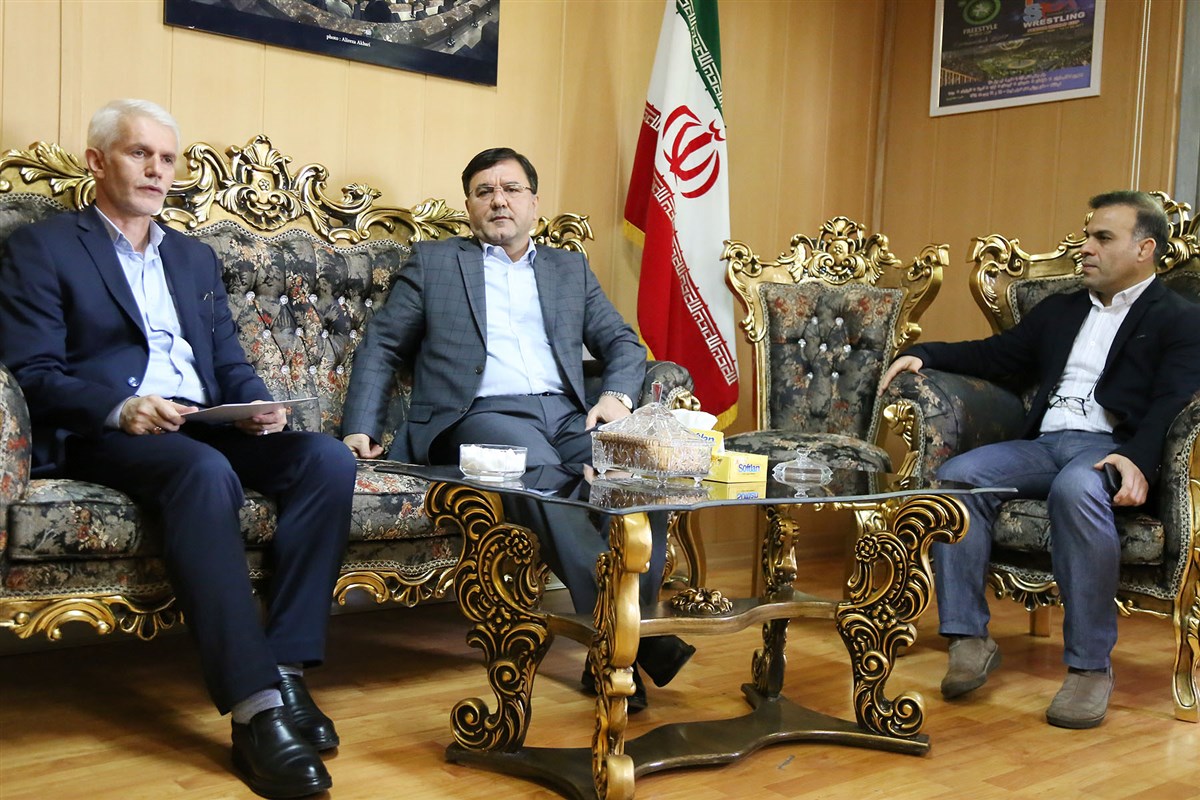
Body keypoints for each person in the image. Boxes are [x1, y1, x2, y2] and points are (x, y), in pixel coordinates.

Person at [0, 99, 356, 798]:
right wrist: (120, 407)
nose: (157, 170)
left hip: (205, 421)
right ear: (97, 161)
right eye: (139, 153)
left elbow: (227, 359)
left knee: (326, 459)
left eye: (167, 158)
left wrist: (258, 406)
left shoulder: (192, 257)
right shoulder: (44, 247)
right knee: (202, 472)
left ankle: (286, 671)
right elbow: (32, 372)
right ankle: (256, 711)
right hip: (110, 432)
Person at [341, 147, 694, 711]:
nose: (498, 200)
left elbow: (622, 343)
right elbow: (382, 344)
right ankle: (632, 642)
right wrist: (359, 426)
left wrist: (617, 398)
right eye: (484, 191)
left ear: (534, 202)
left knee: (640, 473)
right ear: (469, 207)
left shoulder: (567, 269)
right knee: (539, 475)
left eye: (511, 189)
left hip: (571, 415)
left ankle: (611, 648)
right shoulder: (434, 263)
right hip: (481, 414)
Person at [879, 190, 1200, 729]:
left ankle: (1089, 668)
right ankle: (968, 637)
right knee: (956, 480)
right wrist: (924, 353)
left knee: (1077, 488)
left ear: (1144, 248)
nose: (1086, 248)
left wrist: (1138, 459)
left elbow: (1175, 400)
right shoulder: (1062, 309)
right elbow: (994, 355)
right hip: (1042, 445)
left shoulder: (1180, 319)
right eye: (1087, 236)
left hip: (1107, 448)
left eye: (1103, 238)